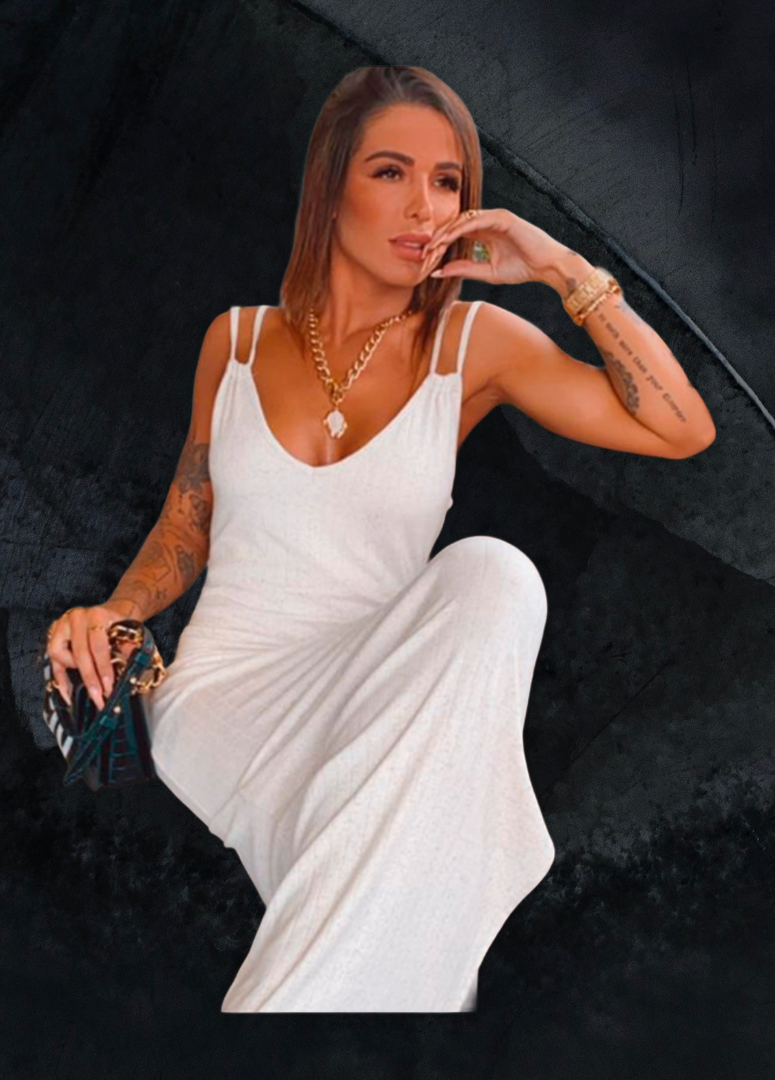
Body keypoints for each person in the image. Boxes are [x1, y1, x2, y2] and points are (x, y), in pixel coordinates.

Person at [44, 65, 715, 1012]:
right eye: (391, 172)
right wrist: (116, 610)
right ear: (330, 189)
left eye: (448, 181)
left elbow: (681, 429)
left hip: (385, 697)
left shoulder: (473, 346)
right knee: (410, 895)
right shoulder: (235, 343)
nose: (425, 206)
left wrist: (559, 267)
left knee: (494, 577)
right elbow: (188, 520)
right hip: (228, 695)